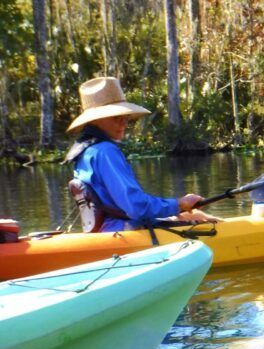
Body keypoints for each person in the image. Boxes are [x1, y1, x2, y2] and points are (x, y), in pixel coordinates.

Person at [66, 76, 218, 232]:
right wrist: (179, 204)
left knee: (195, 215)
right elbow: (135, 207)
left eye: (125, 118)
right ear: (95, 121)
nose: (123, 123)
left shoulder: (84, 152)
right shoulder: (106, 151)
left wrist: (178, 208)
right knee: (200, 218)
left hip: (104, 230)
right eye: (115, 118)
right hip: (123, 231)